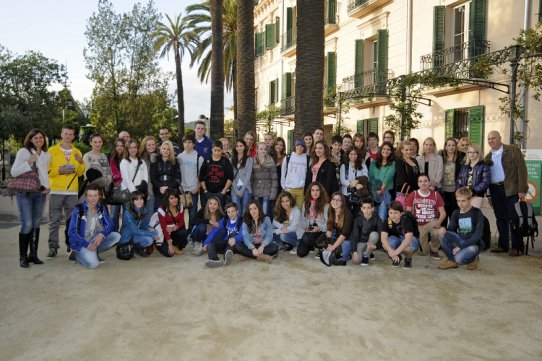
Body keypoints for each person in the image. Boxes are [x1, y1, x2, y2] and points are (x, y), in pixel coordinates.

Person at [12, 129, 51, 267]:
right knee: (27, 224)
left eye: (41, 137)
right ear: (30, 139)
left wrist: (47, 187)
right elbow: (14, 172)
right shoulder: (23, 152)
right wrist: (28, 162)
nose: (39, 140)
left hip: (40, 193)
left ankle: (33, 254)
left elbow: (44, 174)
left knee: (35, 224)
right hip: (26, 193)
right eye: (35, 138)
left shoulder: (47, 154)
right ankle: (22, 257)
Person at [485, 130, 528, 256]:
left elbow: (522, 170)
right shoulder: (488, 157)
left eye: (493, 138)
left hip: (510, 189)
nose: (490, 141)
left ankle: (517, 247)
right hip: (495, 190)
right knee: (500, 218)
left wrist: (522, 189)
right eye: (489, 139)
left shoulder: (513, 150)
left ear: (500, 138)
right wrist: (488, 194)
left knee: (513, 218)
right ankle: (503, 245)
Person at [47, 125, 85, 259]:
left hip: (72, 191)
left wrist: (81, 163)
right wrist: (59, 171)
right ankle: (53, 247)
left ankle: (70, 244)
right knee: (54, 221)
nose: (68, 136)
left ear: (74, 136)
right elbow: (47, 172)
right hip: (56, 190)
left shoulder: (77, 152)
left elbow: (80, 173)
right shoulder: (52, 151)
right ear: (61, 134)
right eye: (66, 134)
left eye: (71, 134)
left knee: (72, 221)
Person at [67, 184, 121, 269]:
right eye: (90, 196)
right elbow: (71, 232)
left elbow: (110, 225)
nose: (93, 198)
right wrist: (87, 244)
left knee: (116, 236)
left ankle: (94, 252)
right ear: (86, 197)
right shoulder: (78, 210)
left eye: (95, 195)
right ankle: (75, 254)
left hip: (94, 239)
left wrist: (102, 234)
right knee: (94, 264)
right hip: (81, 243)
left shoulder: (101, 208)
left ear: (99, 196)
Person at [437, 187, 485, 270]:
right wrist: (444, 230)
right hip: (460, 240)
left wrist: (460, 246)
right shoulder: (456, 213)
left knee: (459, 259)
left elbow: (478, 235)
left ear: (470, 200)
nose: (460, 204)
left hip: (472, 244)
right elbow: (451, 229)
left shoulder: (477, 213)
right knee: (441, 234)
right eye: (458, 201)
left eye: (463, 201)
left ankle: (474, 259)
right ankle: (451, 261)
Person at [405, 173, 446, 259]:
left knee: (437, 232)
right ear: (418, 183)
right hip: (418, 224)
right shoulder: (413, 194)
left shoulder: (435, 194)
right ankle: (427, 248)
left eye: (425, 181)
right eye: (420, 181)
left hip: (432, 221)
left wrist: (439, 223)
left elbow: (443, 213)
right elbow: (408, 212)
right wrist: (410, 226)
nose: (423, 183)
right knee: (423, 252)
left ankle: (434, 250)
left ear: (429, 182)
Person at [381, 201, 420, 269]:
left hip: (409, 239)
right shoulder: (387, 221)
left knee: (410, 246)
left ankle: (408, 259)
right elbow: (383, 238)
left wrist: (396, 251)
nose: (393, 215)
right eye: (391, 213)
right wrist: (391, 251)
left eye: (396, 213)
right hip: (396, 239)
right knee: (385, 245)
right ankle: (397, 258)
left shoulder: (406, 220)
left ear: (401, 213)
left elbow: (408, 239)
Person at [119, 191, 158, 258]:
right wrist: (151, 234)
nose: (139, 201)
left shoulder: (143, 210)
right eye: (136, 199)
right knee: (149, 239)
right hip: (128, 236)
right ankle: (134, 247)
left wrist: (148, 228)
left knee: (154, 231)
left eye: (141, 199)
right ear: (132, 201)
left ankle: (137, 247)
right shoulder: (127, 212)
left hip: (136, 232)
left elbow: (143, 224)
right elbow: (134, 230)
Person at [204, 202, 243, 268]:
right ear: (227, 213)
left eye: (233, 211)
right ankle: (214, 260)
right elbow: (214, 231)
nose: (231, 214)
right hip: (225, 242)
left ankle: (226, 259)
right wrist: (206, 243)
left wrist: (235, 239)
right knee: (211, 244)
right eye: (229, 212)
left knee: (233, 234)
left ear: (237, 211)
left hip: (235, 244)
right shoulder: (225, 220)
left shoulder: (241, 221)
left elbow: (243, 233)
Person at [297, 182, 330, 258]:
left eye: (317, 190)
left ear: (321, 192)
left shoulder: (326, 205)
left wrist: (319, 228)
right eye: (313, 190)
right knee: (301, 253)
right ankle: (311, 244)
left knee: (307, 237)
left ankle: (321, 247)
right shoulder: (306, 204)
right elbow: (303, 219)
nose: (315, 192)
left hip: (321, 232)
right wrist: (305, 227)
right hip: (309, 231)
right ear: (310, 192)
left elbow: (328, 224)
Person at [320, 192, 353, 266]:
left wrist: (333, 247)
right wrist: (329, 243)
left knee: (337, 261)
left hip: (347, 239)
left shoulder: (348, 214)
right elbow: (329, 227)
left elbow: (344, 234)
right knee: (324, 248)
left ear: (342, 202)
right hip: (336, 237)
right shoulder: (331, 210)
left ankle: (348, 254)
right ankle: (335, 249)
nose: (335, 202)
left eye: (338, 200)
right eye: (334, 199)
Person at [178, 133, 203, 222]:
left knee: (193, 215)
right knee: (180, 216)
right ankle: (182, 235)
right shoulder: (179, 157)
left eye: (189, 142)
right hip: (182, 191)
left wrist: (197, 188)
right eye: (185, 142)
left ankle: (191, 234)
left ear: (193, 144)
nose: (187, 144)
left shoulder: (199, 158)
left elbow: (202, 176)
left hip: (193, 190)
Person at [199, 140, 233, 206]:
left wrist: (224, 191)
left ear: (222, 150)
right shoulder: (207, 160)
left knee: (221, 213)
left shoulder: (225, 161)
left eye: (219, 150)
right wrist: (205, 190)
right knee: (208, 213)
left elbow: (230, 177)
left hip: (221, 192)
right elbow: (201, 176)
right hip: (208, 191)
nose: (217, 153)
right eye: (215, 150)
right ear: (212, 149)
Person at [350, 198, 383, 266]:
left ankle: (366, 256)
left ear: (373, 208)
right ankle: (369, 252)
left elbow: (381, 233)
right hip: (361, 241)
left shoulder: (377, 218)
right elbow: (354, 234)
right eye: (364, 208)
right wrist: (354, 251)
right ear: (361, 209)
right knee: (356, 261)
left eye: (369, 208)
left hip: (371, 241)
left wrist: (377, 246)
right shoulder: (357, 219)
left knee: (374, 235)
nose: (366, 210)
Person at [456, 144, 491, 209]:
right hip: (464, 195)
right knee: (464, 214)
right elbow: (459, 180)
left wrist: (473, 191)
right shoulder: (464, 166)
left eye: (474, 152)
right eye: (469, 152)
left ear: (478, 153)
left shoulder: (484, 166)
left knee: (473, 214)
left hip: (477, 194)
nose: (471, 154)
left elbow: (485, 182)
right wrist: (460, 191)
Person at [369, 141, 396, 222]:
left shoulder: (392, 163)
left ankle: (382, 233)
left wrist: (381, 190)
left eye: (388, 149)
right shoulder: (374, 162)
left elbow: (387, 177)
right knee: (373, 217)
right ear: (381, 150)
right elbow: (370, 177)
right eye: (384, 149)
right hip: (373, 192)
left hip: (385, 193)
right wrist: (373, 191)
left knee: (382, 217)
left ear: (391, 152)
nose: (385, 151)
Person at [150, 141, 182, 211]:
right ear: (161, 149)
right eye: (164, 149)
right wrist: (161, 188)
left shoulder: (175, 161)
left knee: (171, 214)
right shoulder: (155, 161)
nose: (166, 151)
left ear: (171, 150)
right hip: (158, 192)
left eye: (168, 149)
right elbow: (153, 178)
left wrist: (168, 188)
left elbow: (178, 179)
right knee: (158, 214)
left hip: (172, 192)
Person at [156, 188, 188, 257]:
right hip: (163, 233)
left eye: (176, 197)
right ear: (167, 199)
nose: (175, 200)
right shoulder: (161, 210)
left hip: (173, 230)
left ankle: (175, 245)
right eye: (171, 198)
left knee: (184, 232)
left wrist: (174, 228)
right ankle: (157, 245)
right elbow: (164, 229)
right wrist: (169, 245)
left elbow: (181, 222)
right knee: (169, 254)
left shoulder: (180, 206)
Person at [440, 137, 463, 224]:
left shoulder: (460, 158)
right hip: (443, 190)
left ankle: (453, 234)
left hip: (455, 190)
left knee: (454, 214)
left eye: (453, 145)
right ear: (445, 147)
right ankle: (444, 234)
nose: (451, 147)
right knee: (443, 214)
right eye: (449, 145)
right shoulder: (440, 158)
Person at [281, 140, 310, 209]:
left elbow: (307, 175)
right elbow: (283, 172)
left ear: (304, 148)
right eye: (298, 146)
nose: (299, 148)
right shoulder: (288, 157)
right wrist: (284, 186)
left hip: (301, 190)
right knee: (288, 209)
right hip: (289, 189)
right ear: (295, 147)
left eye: (301, 146)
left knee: (299, 210)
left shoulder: (307, 158)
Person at [252, 142, 278, 216]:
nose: (263, 151)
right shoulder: (253, 161)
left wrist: (273, 193)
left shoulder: (270, 161)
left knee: (265, 212)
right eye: (261, 149)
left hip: (267, 189)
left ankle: (265, 226)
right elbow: (251, 178)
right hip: (256, 190)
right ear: (257, 150)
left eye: (265, 149)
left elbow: (274, 179)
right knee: (256, 212)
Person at [340, 147, 368, 214]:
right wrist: (356, 184)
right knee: (347, 214)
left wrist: (357, 181)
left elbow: (366, 176)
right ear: (348, 155)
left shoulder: (362, 165)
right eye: (351, 154)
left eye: (355, 154)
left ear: (358, 155)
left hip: (359, 194)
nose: (353, 156)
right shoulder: (344, 166)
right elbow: (343, 181)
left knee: (358, 214)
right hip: (346, 194)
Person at [120, 140, 149, 204]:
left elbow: (145, 177)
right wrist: (135, 192)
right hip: (129, 193)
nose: (133, 149)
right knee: (129, 213)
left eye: (135, 147)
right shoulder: (124, 162)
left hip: (141, 191)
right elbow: (127, 179)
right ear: (127, 149)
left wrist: (142, 188)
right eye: (130, 148)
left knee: (139, 213)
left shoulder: (142, 161)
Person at [231, 139, 254, 216]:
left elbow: (248, 176)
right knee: (236, 210)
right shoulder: (231, 159)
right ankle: (237, 227)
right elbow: (231, 176)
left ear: (244, 147)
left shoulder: (249, 159)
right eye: (237, 146)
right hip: (235, 188)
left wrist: (242, 190)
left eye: (241, 146)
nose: (239, 148)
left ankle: (244, 227)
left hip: (246, 188)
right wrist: (237, 190)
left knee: (245, 210)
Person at [109, 138, 125, 231]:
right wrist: (116, 181)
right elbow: (113, 173)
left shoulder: (128, 158)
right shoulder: (112, 159)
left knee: (126, 215)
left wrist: (121, 182)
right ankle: (114, 234)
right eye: (117, 146)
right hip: (116, 188)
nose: (119, 148)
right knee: (114, 214)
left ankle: (123, 235)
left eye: (121, 146)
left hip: (126, 188)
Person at [140, 136, 158, 221]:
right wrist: (148, 191)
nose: (151, 146)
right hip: (148, 191)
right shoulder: (142, 159)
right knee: (148, 214)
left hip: (158, 190)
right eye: (149, 145)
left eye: (153, 144)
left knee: (156, 214)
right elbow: (145, 177)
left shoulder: (158, 156)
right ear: (144, 146)